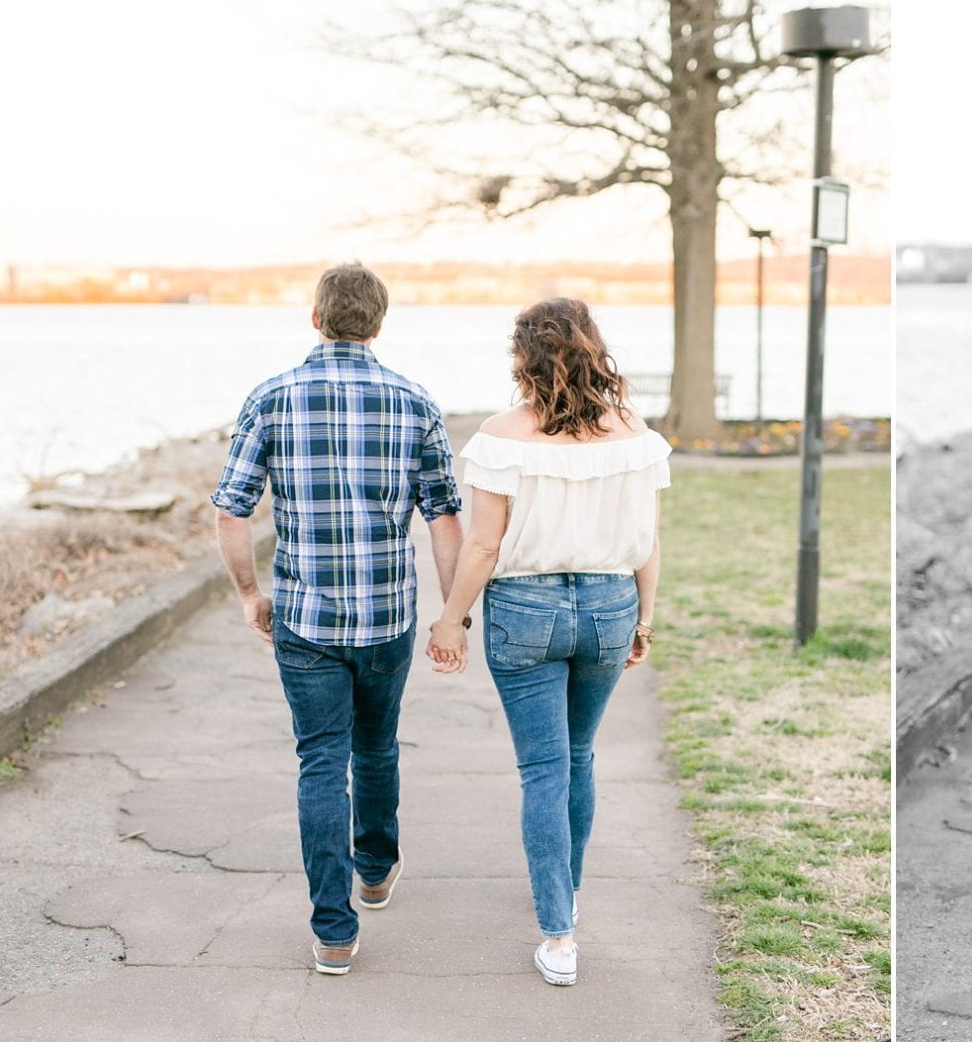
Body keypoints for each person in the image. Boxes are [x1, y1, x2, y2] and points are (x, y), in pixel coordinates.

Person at [212, 262, 463, 976]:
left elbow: (232, 508)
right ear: (379, 324)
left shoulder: (272, 396)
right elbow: (444, 516)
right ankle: (376, 867)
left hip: (305, 617)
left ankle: (333, 931)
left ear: (315, 318)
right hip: (387, 616)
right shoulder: (414, 400)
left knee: (321, 760)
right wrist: (454, 613)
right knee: (376, 746)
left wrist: (247, 593)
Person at [424, 298, 668, 987]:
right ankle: (567, 892)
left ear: (522, 357)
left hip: (524, 610)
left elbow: (481, 546)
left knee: (543, 768)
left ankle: (559, 934)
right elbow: (648, 543)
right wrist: (644, 618)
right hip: (608, 606)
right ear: (595, 349)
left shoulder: (502, 435)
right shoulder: (634, 432)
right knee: (578, 754)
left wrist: (450, 622)